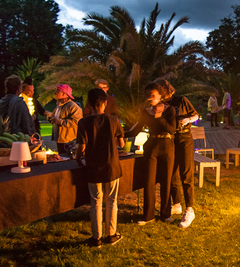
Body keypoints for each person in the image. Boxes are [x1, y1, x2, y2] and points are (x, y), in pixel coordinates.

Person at [76, 88, 125, 248]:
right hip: (111, 166)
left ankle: (96, 238)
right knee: (111, 201)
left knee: (95, 201)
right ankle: (111, 235)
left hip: (93, 167)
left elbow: (81, 147)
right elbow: (121, 143)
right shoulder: (113, 120)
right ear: (105, 103)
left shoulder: (83, 122)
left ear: (89, 104)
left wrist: (77, 158)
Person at [124, 81, 176, 225]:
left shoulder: (169, 110)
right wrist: (118, 133)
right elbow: (136, 130)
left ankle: (165, 214)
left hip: (167, 146)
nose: (149, 98)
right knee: (149, 181)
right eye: (147, 95)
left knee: (166, 181)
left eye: (152, 95)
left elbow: (172, 130)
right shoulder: (146, 112)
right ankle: (148, 215)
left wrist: (159, 117)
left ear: (160, 95)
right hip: (151, 146)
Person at [156, 79, 199, 229]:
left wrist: (188, 119)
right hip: (170, 140)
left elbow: (196, 116)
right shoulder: (159, 105)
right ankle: (177, 204)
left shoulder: (181, 100)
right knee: (172, 173)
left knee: (186, 173)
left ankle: (189, 210)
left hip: (185, 139)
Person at [47, 84, 82, 157]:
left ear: (64, 94)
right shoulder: (59, 105)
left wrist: (58, 121)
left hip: (68, 141)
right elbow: (54, 117)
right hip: (60, 139)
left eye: (57, 91)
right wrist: (50, 118)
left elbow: (76, 122)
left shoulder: (72, 106)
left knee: (67, 160)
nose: (55, 93)